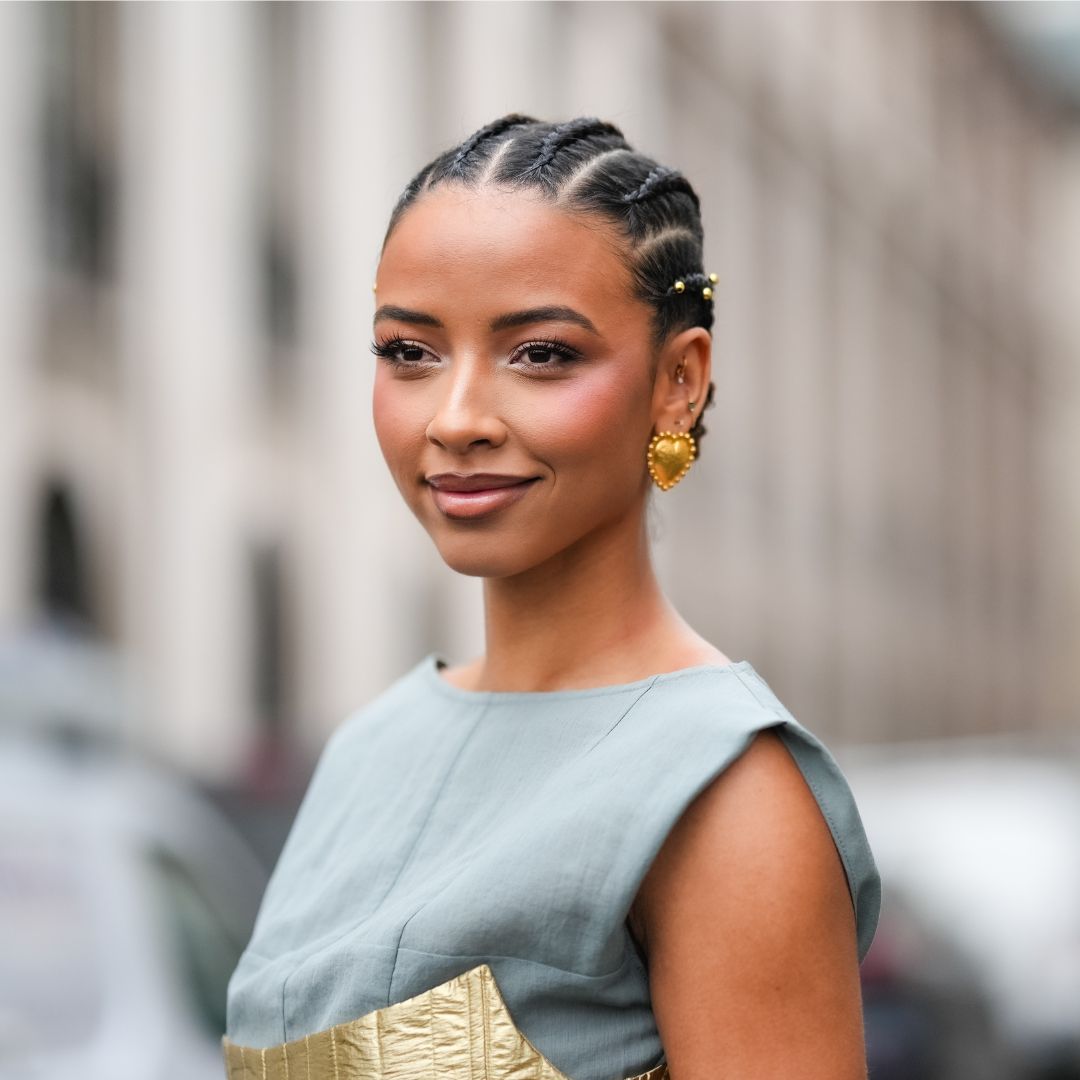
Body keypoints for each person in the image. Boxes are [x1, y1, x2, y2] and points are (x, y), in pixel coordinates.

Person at [223, 114, 881, 1080]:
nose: (456, 420)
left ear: (677, 383)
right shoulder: (369, 744)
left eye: (540, 354)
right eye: (410, 351)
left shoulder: (723, 795)